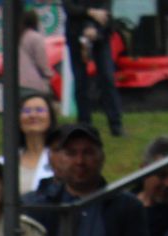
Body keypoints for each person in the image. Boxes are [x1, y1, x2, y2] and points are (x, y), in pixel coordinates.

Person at [66, 0, 124, 137]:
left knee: (107, 78)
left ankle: (116, 124)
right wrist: (90, 13)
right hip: (76, 34)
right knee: (81, 81)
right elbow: (69, 7)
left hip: (101, 33)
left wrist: (93, 25)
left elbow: (106, 7)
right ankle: (84, 123)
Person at [13, 92, 58, 197]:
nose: (33, 115)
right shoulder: (4, 163)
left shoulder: (62, 160)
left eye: (40, 110)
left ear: (50, 117)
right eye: (26, 111)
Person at [18, 10, 54, 95]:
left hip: (14, 83)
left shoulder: (14, 37)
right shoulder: (35, 37)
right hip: (32, 84)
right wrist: (49, 74)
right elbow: (42, 63)